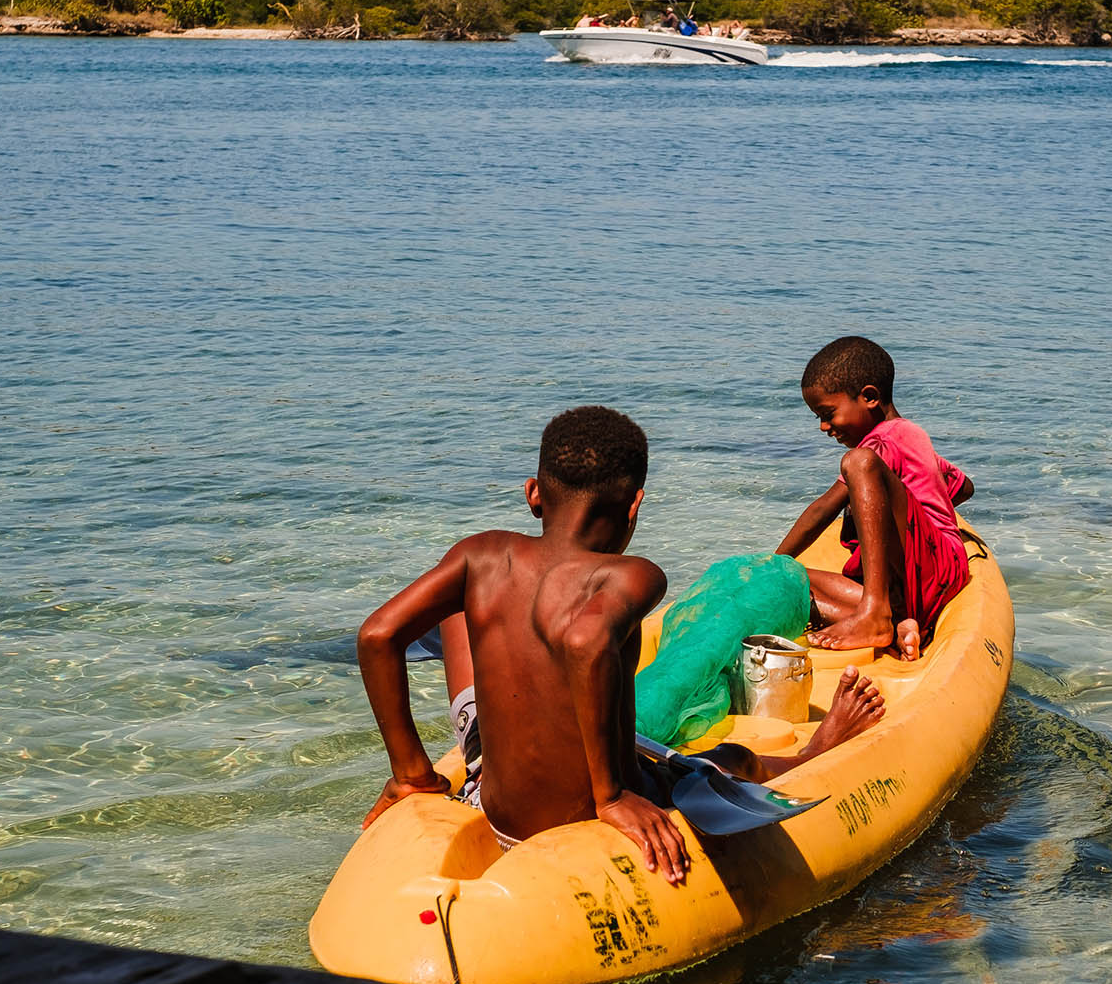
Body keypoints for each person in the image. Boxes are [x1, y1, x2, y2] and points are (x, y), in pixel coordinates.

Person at [356, 405, 886, 883]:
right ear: (634, 506)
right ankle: (816, 752)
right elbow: (586, 640)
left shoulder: (480, 554)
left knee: (460, 601)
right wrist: (610, 797)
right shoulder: (632, 576)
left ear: (533, 494)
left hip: (487, 792)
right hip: (583, 809)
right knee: (731, 757)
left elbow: (378, 635)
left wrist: (413, 774)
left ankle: (413, 775)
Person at [776, 337, 974, 661]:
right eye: (819, 418)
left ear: (869, 397)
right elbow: (963, 487)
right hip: (918, 581)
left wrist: (774, 558)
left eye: (829, 414)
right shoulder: (909, 434)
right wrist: (922, 510)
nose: (824, 427)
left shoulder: (878, 445)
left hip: (933, 570)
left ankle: (875, 614)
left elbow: (825, 508)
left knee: (858, 462)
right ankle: (898, 625)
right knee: (792, 580)